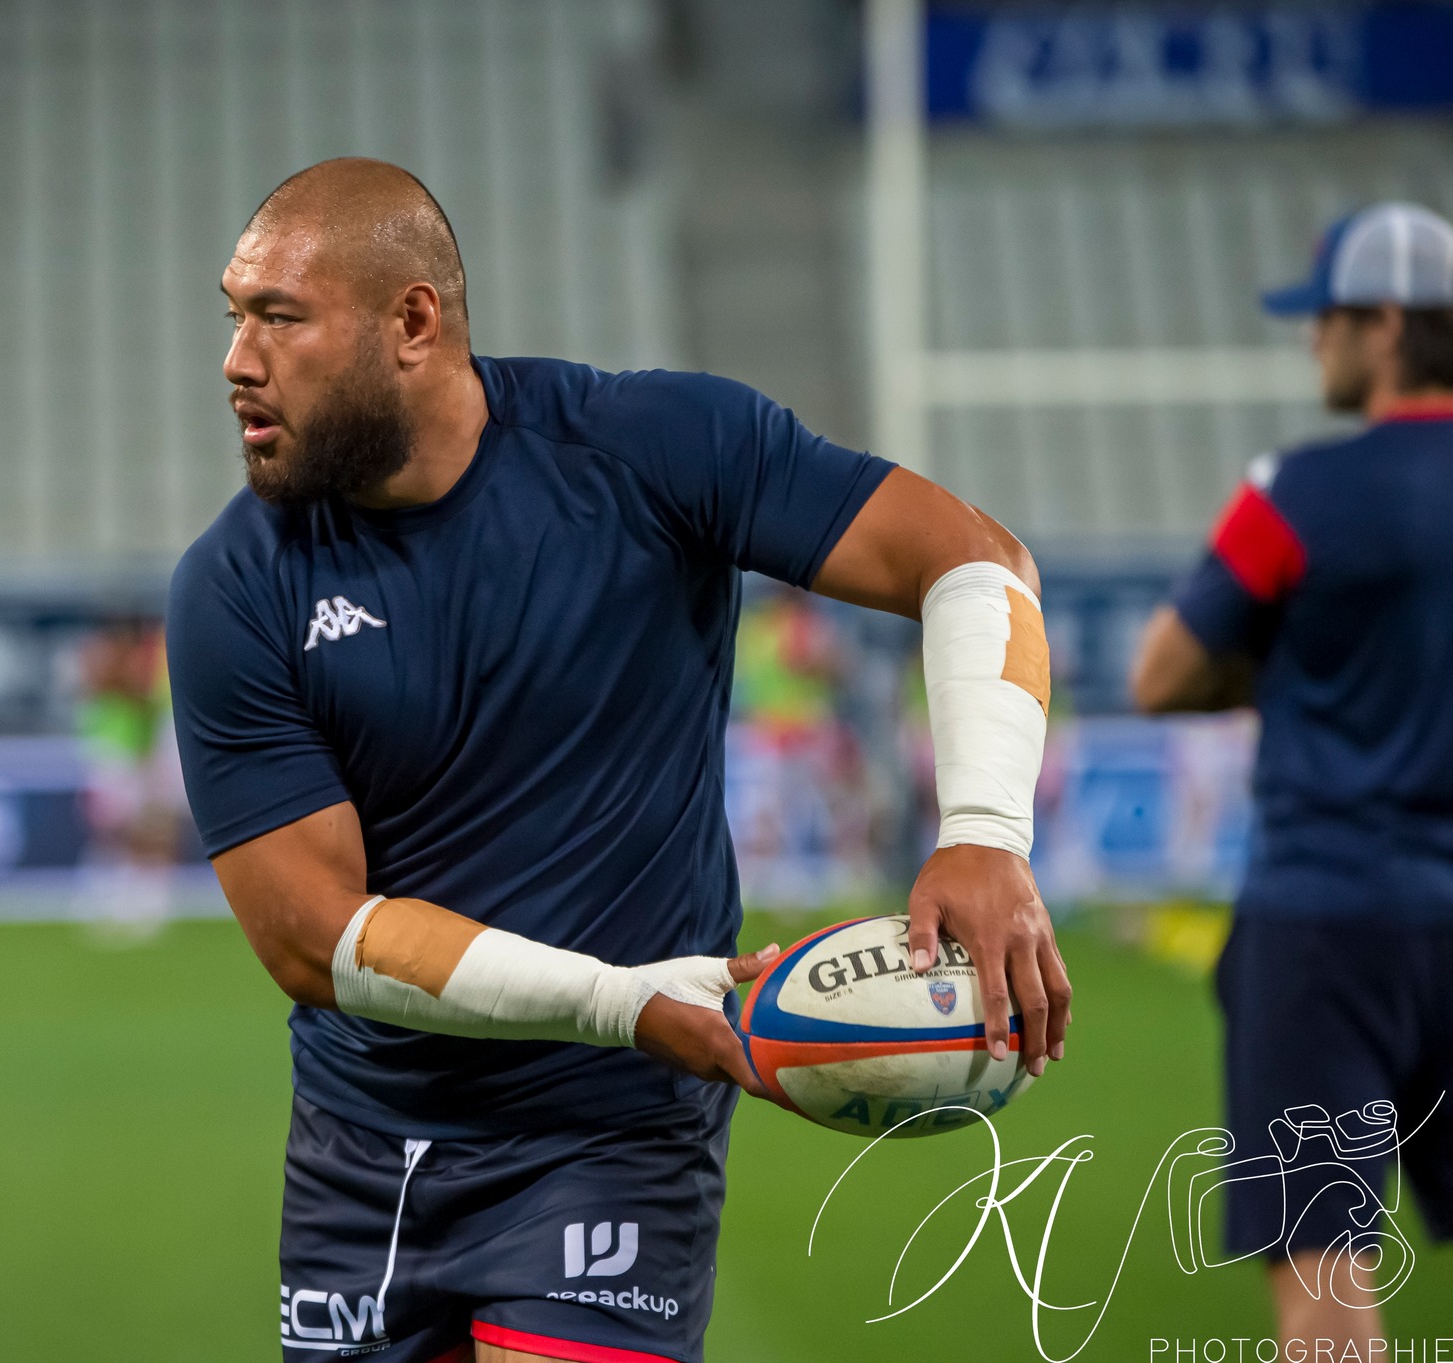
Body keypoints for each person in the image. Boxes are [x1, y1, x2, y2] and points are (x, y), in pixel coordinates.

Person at [168, 157, 1069, 1363]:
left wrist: (980, 833)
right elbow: (313, 940)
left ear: (411, 324)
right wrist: (624, 1001)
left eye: (277, 318)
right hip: (362, 1146)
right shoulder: (235, 584)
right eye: (233, 317)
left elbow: (973, 563)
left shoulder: (648, 446)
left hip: (611, 1135)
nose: (236, 359)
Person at [1131, 201, 1453, 1351]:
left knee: (1325, 1286)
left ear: (1381, 324)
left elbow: (1158, 672)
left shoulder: (1294, 493)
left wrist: (1283, 673)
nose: (1309, 340)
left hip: (1325, 930)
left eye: (1323, 317)